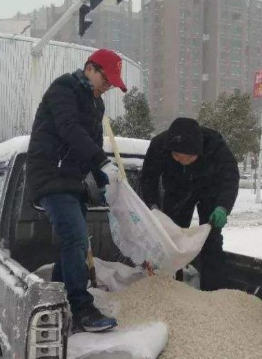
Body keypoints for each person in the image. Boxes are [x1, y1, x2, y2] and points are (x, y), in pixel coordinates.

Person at [26, 49, 127, 332]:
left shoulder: (96, 103)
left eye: (112, 84)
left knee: (72, 243)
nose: (107, 87)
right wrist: (101, 162)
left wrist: (103, 177)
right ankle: (82, 308)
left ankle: (54, 302)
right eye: (106, 80)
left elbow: (91, 143)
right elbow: (69, 129)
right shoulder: (64, 88)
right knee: (76, 239)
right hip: (50, 175)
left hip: (72, 180)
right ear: (90, 68)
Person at [140, 117, 239, 291]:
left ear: (199, 151)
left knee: (211, 239)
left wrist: (223, 207)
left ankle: (212, 291)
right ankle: (173, 287)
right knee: (172, 238)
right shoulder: (159, 145)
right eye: (177, 157)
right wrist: (152, 205)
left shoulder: (215, 145)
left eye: (189, 157)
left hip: (210, 189)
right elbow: (148, 178)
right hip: (177, 190)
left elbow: (230, 177)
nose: (183, 161)